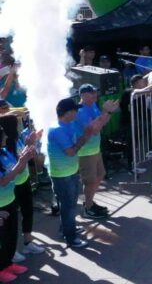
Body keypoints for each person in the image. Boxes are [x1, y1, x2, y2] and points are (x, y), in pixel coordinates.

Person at [49, 98, 94, 249]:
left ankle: (67, 229)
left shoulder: (67, 125)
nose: (77, 112)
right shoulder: (58, 130)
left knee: (69, 205)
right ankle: (71, 237)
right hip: (62, 176)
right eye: (75, 110)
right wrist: (85, 137)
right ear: (68, 113)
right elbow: (70, 151)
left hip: (70, 172)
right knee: (68, 207)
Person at [0, 119, 45, 259]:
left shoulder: (18, 139)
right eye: (17, 124)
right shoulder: (7, 145)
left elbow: (22, 158)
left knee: (27, 212)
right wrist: (22, 160)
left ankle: (27, 242)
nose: (21, 126)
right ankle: (10, 254)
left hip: (24, 181)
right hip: (13, 187)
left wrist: (31, 143)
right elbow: (14, 168)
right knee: (9, 223)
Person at [75, 84, 119, 219]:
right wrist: (107, 112)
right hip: (85, 152)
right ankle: (88, 209)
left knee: (100, 174)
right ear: (82, 95)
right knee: (90, 181)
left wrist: (109, 112)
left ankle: (89, 202)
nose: (95, 95)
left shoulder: (92, 105)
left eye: (95, 92)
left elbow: (102, 122)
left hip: (95, 149)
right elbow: (93, 129)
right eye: (91, 93)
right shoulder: (81, 111)